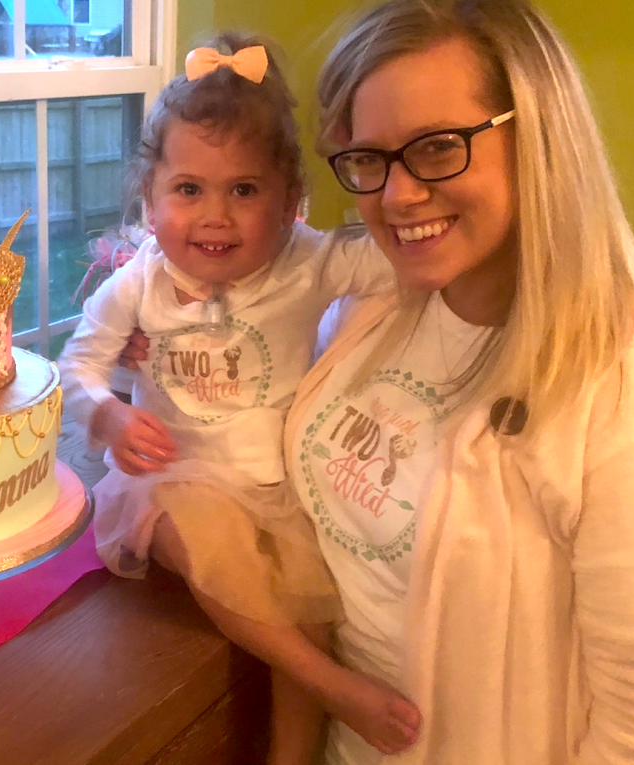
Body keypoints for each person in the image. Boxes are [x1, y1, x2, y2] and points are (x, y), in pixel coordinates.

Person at [120, 1, 634, 762]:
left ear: (540, 135)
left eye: (439, 147)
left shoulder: (629, 389)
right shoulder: (373, 306)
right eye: (370, 158)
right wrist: (163, 348)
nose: (396, 195)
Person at [58, 32, 423, 765]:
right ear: (150, 196)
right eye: (188, 189)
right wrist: (108, 411)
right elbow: (76, 365)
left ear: (289, 199)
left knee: (306, 607)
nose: (215, 216)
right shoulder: (141, 283)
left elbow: (396, 257)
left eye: (244, 190)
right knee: (213, 552)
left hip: (275, 491)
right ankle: (335, 685)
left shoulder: (308, 264)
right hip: (168, 484)